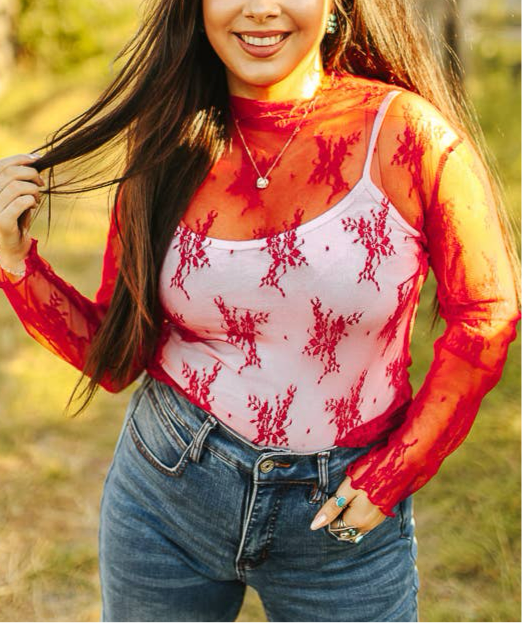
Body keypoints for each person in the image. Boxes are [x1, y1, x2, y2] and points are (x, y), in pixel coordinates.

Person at [0, 1, 521, 621]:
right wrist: (14, 262)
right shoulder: (169, 138)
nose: (261, 8)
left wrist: (396, 472)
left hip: (341, 522)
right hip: (165, 492)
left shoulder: (409, 135)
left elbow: (486, 312)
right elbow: (118, 358)